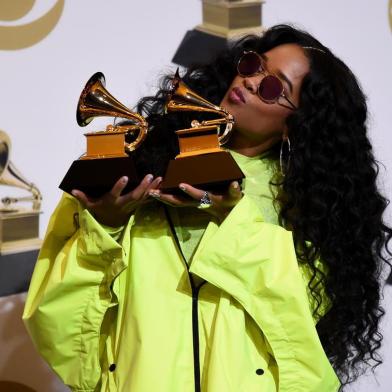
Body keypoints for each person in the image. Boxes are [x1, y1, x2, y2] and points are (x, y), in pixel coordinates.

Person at [23, 24, 391, 392]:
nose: (250, 81)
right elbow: (57, 323)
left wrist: (234, 220)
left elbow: (302, 326)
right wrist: (105, 227)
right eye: (252, 65)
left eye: (273, 87)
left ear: (293, 126)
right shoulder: (139, 165)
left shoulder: (309, 208)